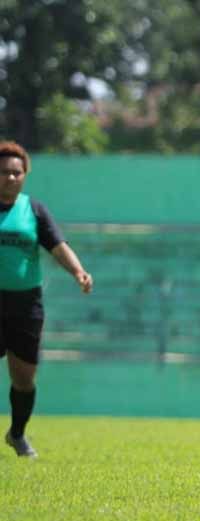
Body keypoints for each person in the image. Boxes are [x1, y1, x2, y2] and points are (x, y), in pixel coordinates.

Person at [1, 141, 93, 458]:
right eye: (3, 172)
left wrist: (78, 272)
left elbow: (57, 245)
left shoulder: (33, 210)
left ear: (25, 174)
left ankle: (17, 433)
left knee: (23, 379)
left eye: (16, 172)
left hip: (26, 304)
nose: (10, 178)